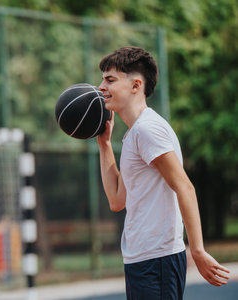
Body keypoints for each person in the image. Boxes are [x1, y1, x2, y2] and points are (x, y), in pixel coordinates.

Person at [96, 46, 230, 299]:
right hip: (141, 258)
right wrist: (104, 145)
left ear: (136, 85)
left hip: (157, 260)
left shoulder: (148, 130)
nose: (101, 86)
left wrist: (198, 250)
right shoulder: (134, 134)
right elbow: (116, 199)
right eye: (103, 79)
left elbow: (185, 187)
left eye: (109, 79)